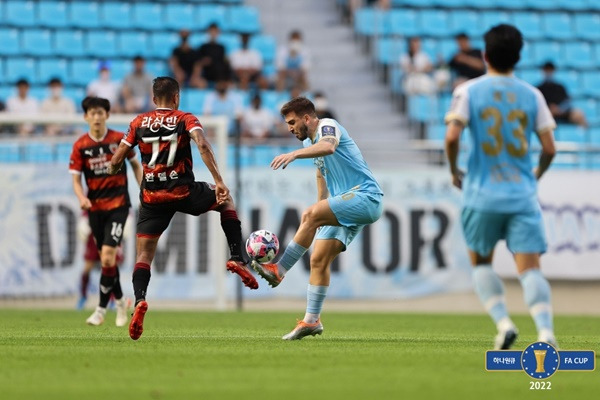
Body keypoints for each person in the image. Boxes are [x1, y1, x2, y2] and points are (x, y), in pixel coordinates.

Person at [107, 77, 258, 341]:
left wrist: (116, 168)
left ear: (154, 99)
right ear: (176, 97)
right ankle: (236, 255)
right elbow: (201, 144)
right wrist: (220, 182)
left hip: (152, 198)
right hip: (184, 192)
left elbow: (116, 161)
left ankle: (140, 300)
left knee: (143, 256)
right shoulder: (185, 118)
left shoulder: (138, 122)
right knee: (225, 201)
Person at [444, 24, 558, 349]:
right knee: (531, 269)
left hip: (481, 194)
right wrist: (535, 174)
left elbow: (452, 137)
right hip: (521, 195)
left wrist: (454, 171)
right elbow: (550, 148)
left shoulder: (468, 90)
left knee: (481, 262)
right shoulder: (532, 94)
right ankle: (546, 332)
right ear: (518, 57)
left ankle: (504, 323)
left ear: (485, 55)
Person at [251, 97, 384, 340]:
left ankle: (279, 270)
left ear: (307, 118)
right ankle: (311, 321)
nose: (290, 128)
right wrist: (321, 206)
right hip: (347, 203)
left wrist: (294, 155)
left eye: (292, 122)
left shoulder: (327, 126)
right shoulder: (313, 142)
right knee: (319, 260)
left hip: (366, 197)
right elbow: (321, 174)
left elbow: (329, 146)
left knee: (309, 215)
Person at [69, 96, 143, 326]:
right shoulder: (81, 145)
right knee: (106, 261)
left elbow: (135, 164)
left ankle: (100, 309)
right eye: (93, 113)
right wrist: (81, 197)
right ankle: (121, 303)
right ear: (86, 117)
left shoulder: (119, 140)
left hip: (119, 206)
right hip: (95, 209)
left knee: (108, 256)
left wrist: (144, 191)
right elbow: (75, 179)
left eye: (101, 112)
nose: (97, 117)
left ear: (107, 115)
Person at [537, 61, 588, 128]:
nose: (549, 72)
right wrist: (548, 109)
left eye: (550, 70)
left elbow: (567, 101)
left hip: (561, 113)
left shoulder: (560, 87)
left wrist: (559, 109)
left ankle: (585, 136)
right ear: (543, 71)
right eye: (547, 70)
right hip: (547, 114)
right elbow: (537, 105)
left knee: (578, 114)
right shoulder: (538, 88)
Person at [195, 23, 231, 88]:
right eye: (212, 31)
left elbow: (224, 62)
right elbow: (198, 63)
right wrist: (204, 61)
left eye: (215, 31)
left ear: (218, 32)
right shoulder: (203, 47)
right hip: (206, 74)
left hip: (219, 75)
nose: (213, 33)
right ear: (208, 32)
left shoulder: (221, 48)